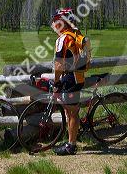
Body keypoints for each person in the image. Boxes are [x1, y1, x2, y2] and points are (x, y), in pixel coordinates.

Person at [51, 8, 86, 155]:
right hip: (77, 76)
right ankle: (70, 140)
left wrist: (56, 81)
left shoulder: (63, 38)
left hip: (71, 78)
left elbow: (59, 65)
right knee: (69, 110)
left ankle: (71, 146)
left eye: (56, 21)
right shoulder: (75, 34)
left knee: (72, 113)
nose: (53, 24)